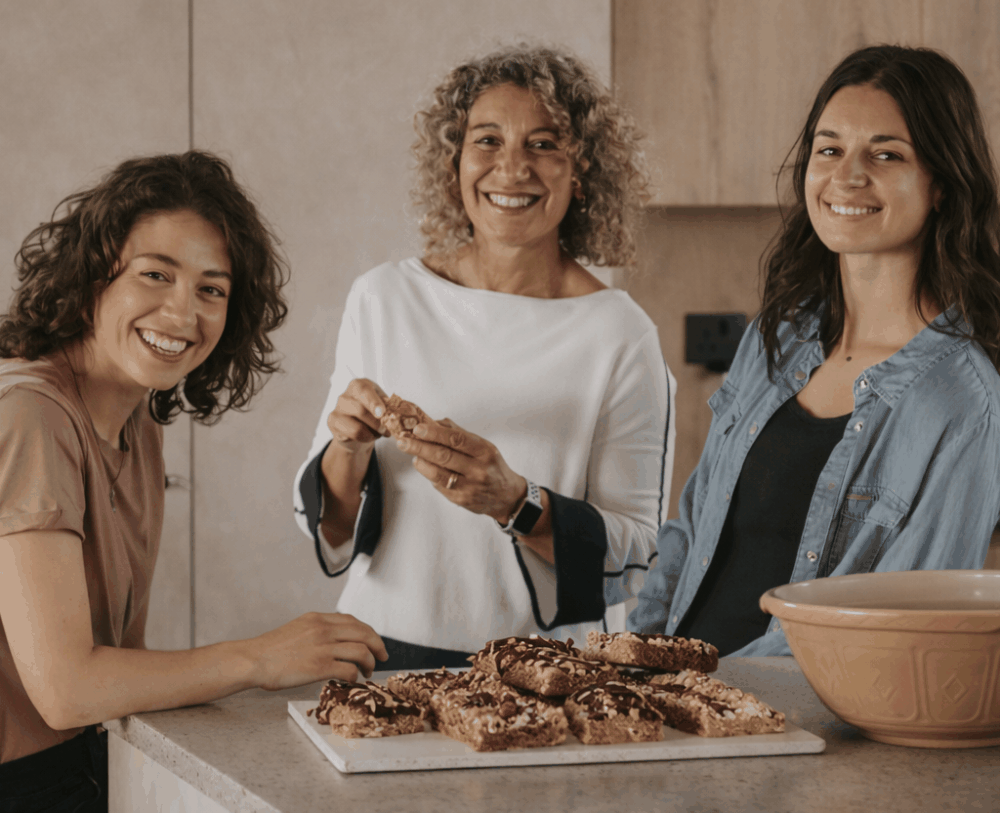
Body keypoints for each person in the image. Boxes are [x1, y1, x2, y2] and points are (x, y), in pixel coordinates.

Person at [0, 152, 386, 810]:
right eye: (156, 274)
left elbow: (117, 665)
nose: (183, 315)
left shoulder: (136, 418)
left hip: (81, 761)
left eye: (212, 289)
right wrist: (261, 659)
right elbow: (66, 689)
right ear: (93, 275)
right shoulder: (30, 415)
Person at [294, 45, 675, 670]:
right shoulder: (383, 297)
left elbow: (637, 551)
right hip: (375, 651)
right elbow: (328, 525)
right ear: (455, 163)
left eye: (544, 144)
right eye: (488, 140)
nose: (512, 167)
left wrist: (514, 501)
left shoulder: (620, 333)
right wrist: (348, 447)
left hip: (541, 671)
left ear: (582, 172)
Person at [630, 44, 1000, 656]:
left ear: (941, 184)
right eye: (830, 150)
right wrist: (640, 656)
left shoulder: (962, 401)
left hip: (796, 730)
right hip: (679, 703)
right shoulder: (778, 336)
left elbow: (894, 630)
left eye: (886, 154)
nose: (847, 176)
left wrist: (708, 690)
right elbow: (692, 525)